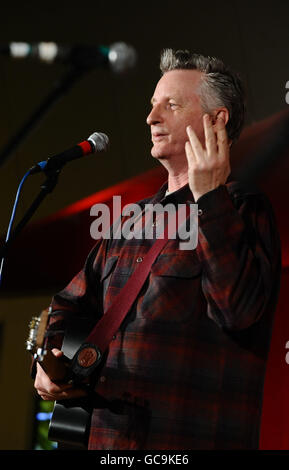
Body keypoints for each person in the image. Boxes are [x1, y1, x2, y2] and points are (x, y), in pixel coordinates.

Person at [33, 49, 281, 450]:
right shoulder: (129, 219)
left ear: (216, 120)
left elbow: (239, 311)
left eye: (171, 105)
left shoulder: (242, 208)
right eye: (152, 106)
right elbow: (68, 303)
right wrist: (47, 365)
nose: (151, 118)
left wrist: (209, 198)